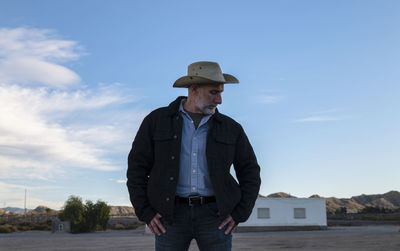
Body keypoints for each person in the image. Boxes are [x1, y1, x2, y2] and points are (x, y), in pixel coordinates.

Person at [127, 61, 261, 251]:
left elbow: (250, 172)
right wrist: (145, 212)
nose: (219, 100)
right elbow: (136, 169)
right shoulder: (156, 121)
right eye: (214, 92)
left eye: (221, 93)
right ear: (194, 89)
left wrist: (240, 213)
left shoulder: (231, 129)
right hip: (170, 216)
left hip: (215, 217)